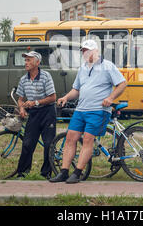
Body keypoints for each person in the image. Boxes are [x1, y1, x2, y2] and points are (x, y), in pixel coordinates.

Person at [50, 39, 127, 184]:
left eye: (87, 50)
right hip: (81, 109)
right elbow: (76, 90)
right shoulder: (83, 68)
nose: (85, 53)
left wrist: (111, 98)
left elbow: (122, 84)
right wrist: (66, 97)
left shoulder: (107, 66)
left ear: (95, 51)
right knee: (70, 138)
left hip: (98, 110)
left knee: (87, 139)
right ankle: (64, 172)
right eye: (83, 51)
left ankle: (77, 173)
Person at [15, 51, 57, 179]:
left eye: (29, 60)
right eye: (25, 60)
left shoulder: (45, 76)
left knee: (49, 143)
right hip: (33, 113)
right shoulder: (23, 79)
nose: (26, 63)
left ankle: (46, 173)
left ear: (37, 63)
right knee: (27, 143)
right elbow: (20, 99)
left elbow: (53, 97)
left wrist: (36, 102)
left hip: (47, 112)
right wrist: (21, 108)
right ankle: (22, 172)